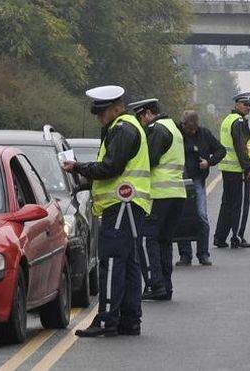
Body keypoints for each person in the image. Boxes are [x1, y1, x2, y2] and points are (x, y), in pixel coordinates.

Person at [62, 85, 151, 337]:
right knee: (129, 263)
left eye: (102, 113)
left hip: (121, 204)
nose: (99, 118)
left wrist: (79, 167)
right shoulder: (121, 127)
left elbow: (111, 167)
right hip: (128, 204)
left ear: (117, 108)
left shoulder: (122, 128)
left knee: (111, 262)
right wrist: (85, 179)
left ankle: (106, 320)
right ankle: (130, 320)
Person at [128, 98, 186, 301]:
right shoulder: (174, 128)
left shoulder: (157, 129)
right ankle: (165, 286)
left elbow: (148, 160)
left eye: (140, 116)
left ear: (148, 113)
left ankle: (154, 284)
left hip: (159, 194)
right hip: (176, 194)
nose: (140, 121)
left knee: (145, 239)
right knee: (164, 241)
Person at [176, 110, 226, 266]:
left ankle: (203, 253)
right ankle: (185, 255)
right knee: (181, 217)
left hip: (197, 180)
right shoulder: (176, 134)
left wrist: (209, 162)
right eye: (189, 128)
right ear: (183, 125)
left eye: (194, 128)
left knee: (201, 216)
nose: (192, 131)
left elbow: (221, 150)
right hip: (180, 181)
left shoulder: (204, 134)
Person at [213, 92, 250, 249]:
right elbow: (241, 147)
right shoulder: (239, 122)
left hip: (227, 168)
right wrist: (248, 168)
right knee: (239, 204)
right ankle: (237, 237)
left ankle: (220, 237)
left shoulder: (228, 120)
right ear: (237, 105)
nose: (248, 107)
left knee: (227, 204)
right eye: (245, 104)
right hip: (237, 169)